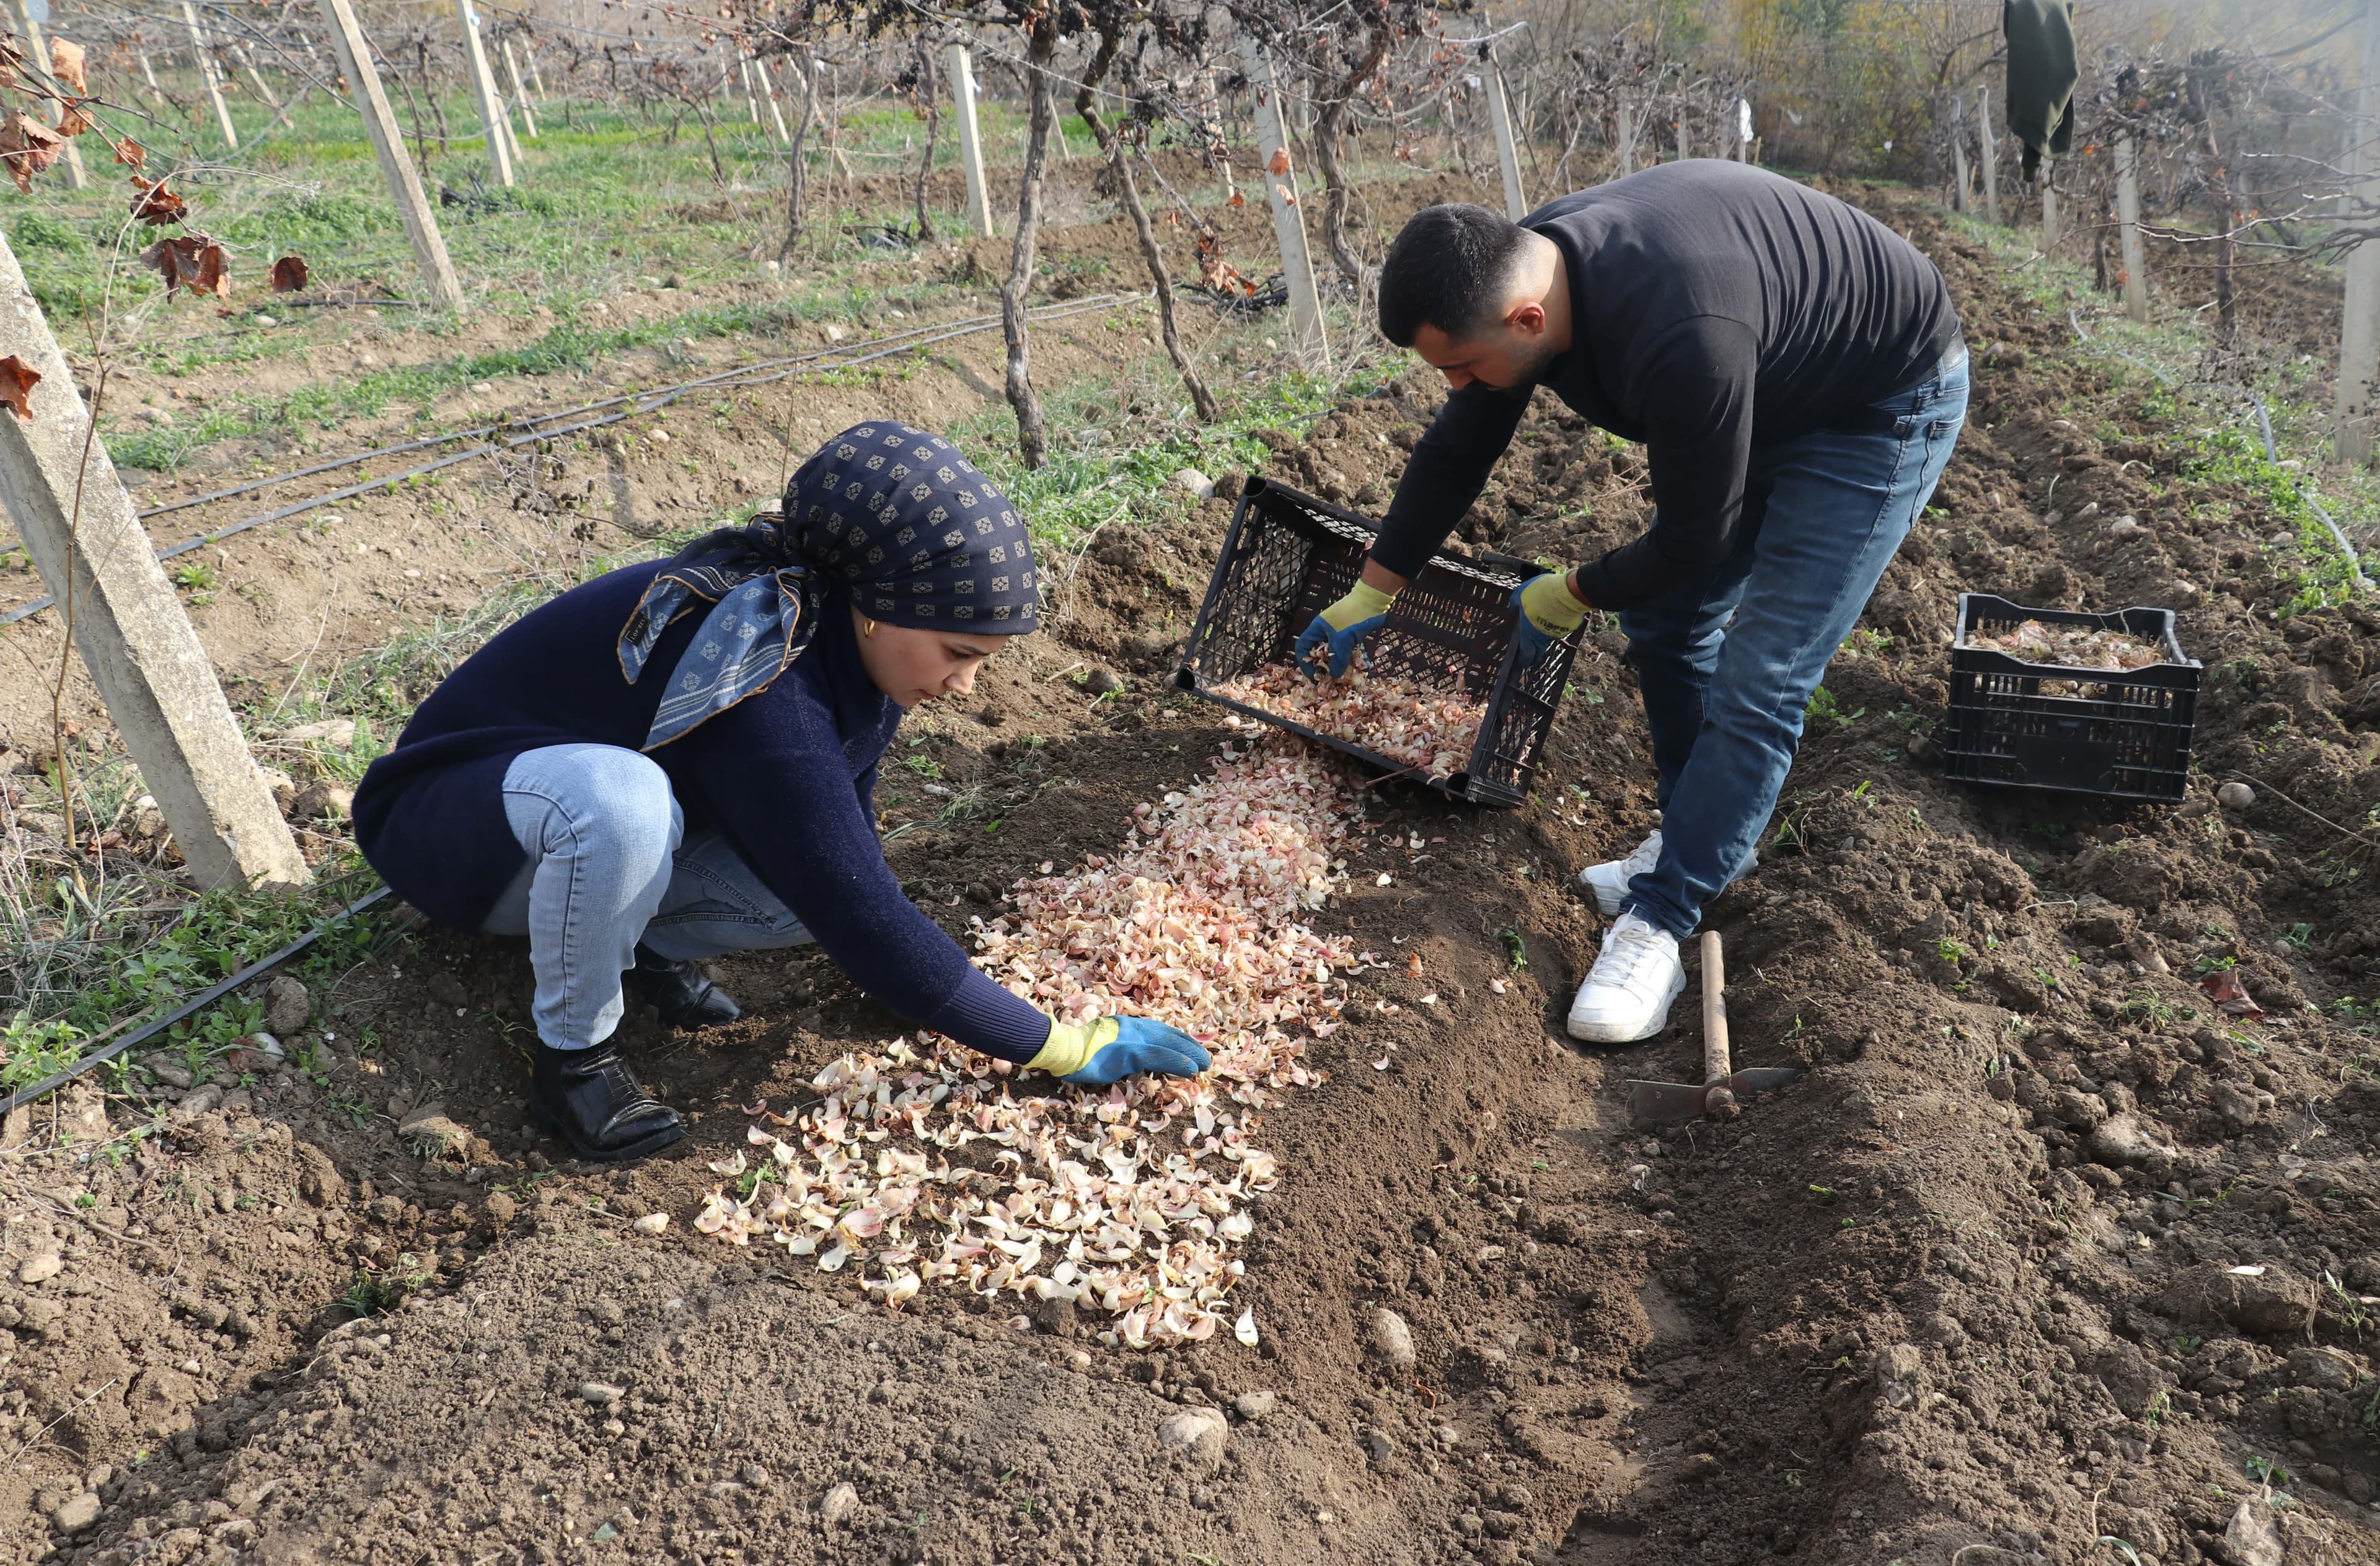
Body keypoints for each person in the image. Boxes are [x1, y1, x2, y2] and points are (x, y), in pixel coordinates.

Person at [355, 420, 1208, 1163]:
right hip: (454, 827)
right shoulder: (762, 674)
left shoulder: (849, 654)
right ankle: (574, 1064)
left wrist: (914, 973)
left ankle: (639, 948)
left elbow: (845, 871)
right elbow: (866, 920)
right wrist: (1054, 1044)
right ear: (876, 607)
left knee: (806, 885)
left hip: (555, 833)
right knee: (626, 803)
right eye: (957, 653)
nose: (969, 685)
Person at [1297, 163, 1966, 1045]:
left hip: (1879, 402)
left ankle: (1661, 920)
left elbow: (1697, 541)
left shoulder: (1682, 333)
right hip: (1768, 373)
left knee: (1763, 673)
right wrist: (1371, 590)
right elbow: (1460, 448)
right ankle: (1699, 831)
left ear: (1527, 320)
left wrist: (1571, 593)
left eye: (1461, 366)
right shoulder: (1531, 262)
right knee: (1668, 621)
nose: (1456, 386)